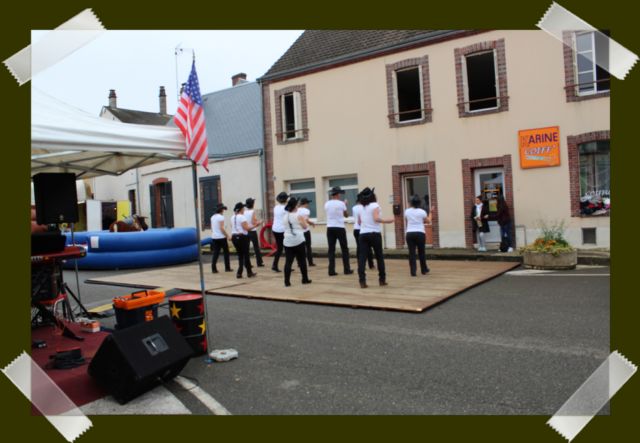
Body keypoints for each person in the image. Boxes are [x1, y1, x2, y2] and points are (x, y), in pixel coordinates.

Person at [357, 187, 394, 288]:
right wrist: (388, 221)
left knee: (362, 257)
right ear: (372, 196)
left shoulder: (360, 207)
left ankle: (362, 281)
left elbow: (359, 222)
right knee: (379, 257)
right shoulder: (375, 205)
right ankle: (382, 280)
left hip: (363, 234)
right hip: (374, 234)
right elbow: (376, 218)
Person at [283, 197, 312, 287]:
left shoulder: (285, 216)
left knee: (288, 261)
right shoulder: (298, 216)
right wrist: (305, 221)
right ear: (295, 206)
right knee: (302, 260)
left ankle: (287, 281)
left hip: (287, 241)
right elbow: (305, 227)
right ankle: (305, 279)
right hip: (298, 240)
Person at [324, 186, 353, 276]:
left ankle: (331, 270)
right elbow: (346, 215)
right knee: (344, 249)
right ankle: (346, 269)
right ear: (337, 194)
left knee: (331, 249)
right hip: (340, 227)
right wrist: (345, 205)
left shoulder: (327, 203)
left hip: (330, 227)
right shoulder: (341, 203)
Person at [404, 195, 432, 276]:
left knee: (411, 253)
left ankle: (413, 271)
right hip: (420, 233)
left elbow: (407, 219)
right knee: (421, 252)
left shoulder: (407, 211)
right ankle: (424, 270)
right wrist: (431, 212)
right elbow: (428, 221)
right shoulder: (422, 212)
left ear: (411, 203)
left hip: (410, 233)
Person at [231, 202, 257, 279]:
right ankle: (249, 272)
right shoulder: (242, 217)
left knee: (240, 255)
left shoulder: (232, 217)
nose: (244, 210)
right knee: (246, 255)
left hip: (234, 237)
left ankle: (239, 273)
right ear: (241, 209)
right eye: (243, 208)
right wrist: (256, 225)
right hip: (242, 237)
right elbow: (247, 228)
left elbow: (232, 226)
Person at [352, 192, 374, 270]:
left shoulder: (354, 208)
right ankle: (371, 264)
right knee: (368, 248)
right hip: (364, 229)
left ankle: (360, 264)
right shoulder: (364, 207)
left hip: (356, 229)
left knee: (359, 248)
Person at [210, 203, 232, 273]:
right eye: (223, 209)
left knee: (216, 252)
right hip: (221, 237)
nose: (223, 211)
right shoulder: (221, 217)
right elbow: (222, 228)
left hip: (214, 237)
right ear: (221, 210)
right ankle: (227, 268)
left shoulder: (212, 217)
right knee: (226, 252)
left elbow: (212, 228)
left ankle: (213, 268)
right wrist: (227, 236)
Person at [271, 192, 288, 272]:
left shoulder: (276, 207)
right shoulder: (285, 208)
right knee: (287, 248)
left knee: (279, 248)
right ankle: (287, 265)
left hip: (275, 229)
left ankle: (275, 264)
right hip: (282, 230)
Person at [244, 198, 264, 267]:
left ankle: (246, 263)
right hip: (252, 231)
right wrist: (260, 222)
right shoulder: (252, 212)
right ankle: (259, 262)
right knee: (256, 247)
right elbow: (253, 222)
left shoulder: (244, 212)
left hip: (246, 230)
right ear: (252, 204)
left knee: (246, 248)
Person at [297, 197, 316, 266]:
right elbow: (307, 220)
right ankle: (310, 262)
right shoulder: (306, 210)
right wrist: (312, 223)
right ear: (305, 203)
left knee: (299, 247)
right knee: (308, 247)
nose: (308, 204)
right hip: (306, 230)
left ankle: (299, 263)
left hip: (299, 231)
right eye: (307, 203)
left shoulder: (297, 210)